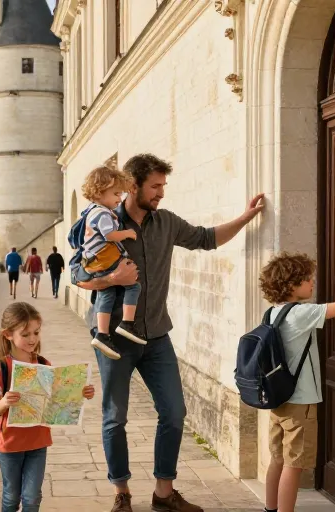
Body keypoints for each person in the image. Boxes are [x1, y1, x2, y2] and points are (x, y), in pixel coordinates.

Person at [75, 154, 265, 512]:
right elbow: (77, 275)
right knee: (115, 417)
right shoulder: (103, 220)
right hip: (114, 337)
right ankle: (122, 493)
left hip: (157, 335)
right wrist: (112, 279)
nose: (161, 193)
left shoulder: (167, 223)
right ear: (133, 186)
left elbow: (206, 239)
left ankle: (164, 493)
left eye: (163, 186)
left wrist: (245, 217)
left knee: (174, 413)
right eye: (156, 186)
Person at [258, 249, 335, 512]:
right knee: (294, 465)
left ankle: (270, 509)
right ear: (292, 285)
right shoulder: (300, 314)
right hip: (301, 402)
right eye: (307, 279)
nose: (312, 283)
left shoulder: (273, 313)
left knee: (277, 460)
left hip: (279, 399)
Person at [0, 302, 96, 512]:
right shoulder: (0, 368)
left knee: (32, 497)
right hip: (10, 443)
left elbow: (56, 398)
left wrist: (80, 392)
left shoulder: (44, 364)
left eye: (36, 332)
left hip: (38, 440)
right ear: (8, 334)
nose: (32, 339)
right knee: (11, 496)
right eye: (25, 334)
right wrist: (6, 401)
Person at [71, 166, 146, 360]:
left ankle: (102, 334)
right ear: (99, 191)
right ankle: (127, 323)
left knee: (107, 293)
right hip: (104, 258)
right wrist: (128, 233)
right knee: (133, 286)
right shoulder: (102, 213)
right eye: (115, 194)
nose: (119, 199)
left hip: (95, 261)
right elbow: (110, 235)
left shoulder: (91, 211)